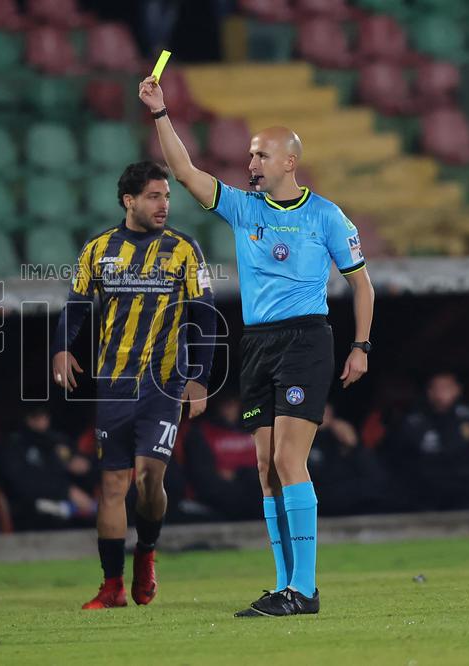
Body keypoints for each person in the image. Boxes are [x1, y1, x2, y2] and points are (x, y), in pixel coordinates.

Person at [139, 76, 375, 617]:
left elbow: (362, 284)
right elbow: (185, 172)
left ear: (290, 161)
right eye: (250, 155)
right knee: (266, 467)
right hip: (258, 344)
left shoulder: (326, 216)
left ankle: (306, 590)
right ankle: (284, 584)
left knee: (291, 460)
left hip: (305, 340)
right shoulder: (245, 209)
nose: (252, 163)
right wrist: (159, 114)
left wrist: (360, 345)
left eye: (262, 155)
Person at [52, 160, 217, 610]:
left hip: (164, 384)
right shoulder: (99, 249)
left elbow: (204, 317)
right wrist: (61, 348)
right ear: (129, 200)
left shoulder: (185, 249)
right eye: (154, 196)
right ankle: (112, 586)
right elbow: (76, 306)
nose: (164, 204)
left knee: (148, 479)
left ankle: (145, 553)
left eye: (166, 196)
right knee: (112, 485)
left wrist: (200, 378)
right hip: (114, 385)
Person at [391, 372, 469, 510]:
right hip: (426, 493)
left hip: (464, 491)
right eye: (437, 388)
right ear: (429, 392)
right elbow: (404, 461)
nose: (442, 393)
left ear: (458, 390)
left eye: (447, 387)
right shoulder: (413, 422)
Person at [0, 406, 98, 527]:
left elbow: (78, 463)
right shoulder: (13, 445)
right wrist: (66, 491)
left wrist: (78, 465)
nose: (42, 420)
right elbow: (22, 484)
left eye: (44, 415)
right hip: (31, 509)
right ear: (26, 418)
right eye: (36, 416)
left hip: (72, 503)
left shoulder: (55, 440)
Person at [182, 393, 260, 520]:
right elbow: (203, 476)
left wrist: (239, 474)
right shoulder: (200, 432)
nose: (228, 408)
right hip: (216, 503)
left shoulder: (257, 428)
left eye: (233, 403)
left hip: (256, 498)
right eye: (225, 403)